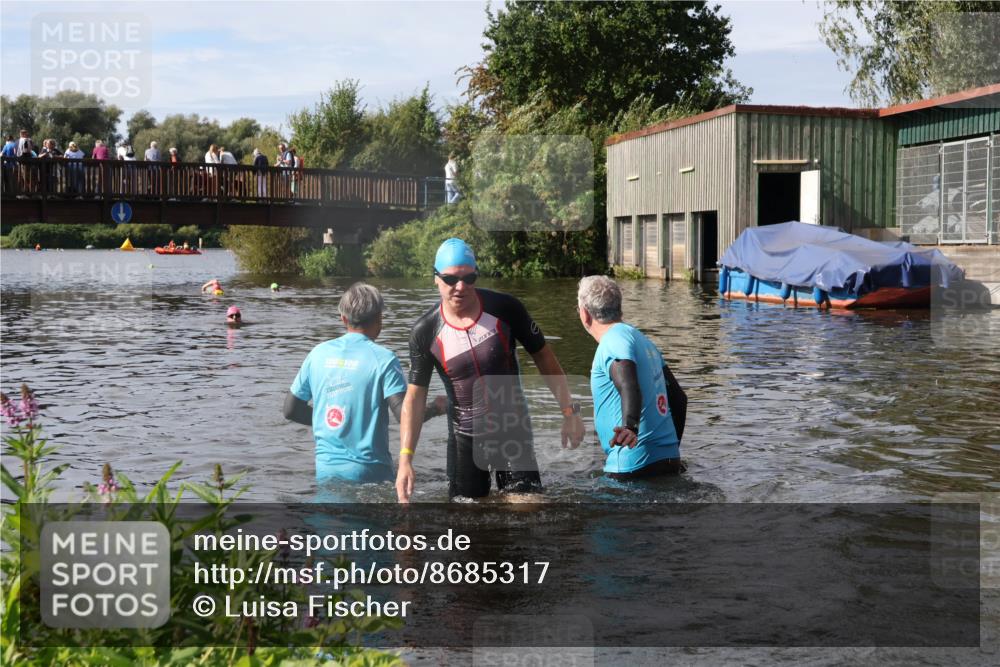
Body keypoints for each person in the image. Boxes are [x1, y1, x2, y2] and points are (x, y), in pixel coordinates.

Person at [396, 238, 585, 503]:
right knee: (471, 522)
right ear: (435, 278)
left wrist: (570, 412)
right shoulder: (424, 332)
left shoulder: (505, 308)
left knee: (529, 509)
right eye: (451, 280)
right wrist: (406, 459)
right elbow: (414, 398)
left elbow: (545, 358)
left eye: (469, 278)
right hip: (465, 438)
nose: (460, 287)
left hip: (513, 430)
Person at [284, 283, 447, 484]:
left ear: (344, 319)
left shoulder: (317, 353)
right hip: (371, 473)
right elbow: (405, 415)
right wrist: (437, 407)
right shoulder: (384, 359)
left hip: (326, 472)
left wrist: (332, 422)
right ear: (380, 319)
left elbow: (290, 409)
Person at [576, 275, 687, 480]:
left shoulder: (612, 340)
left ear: (585, 314)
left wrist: (630, 427)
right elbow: (679, 399)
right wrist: (670, 451)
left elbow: (627, 383)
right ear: (620, 309)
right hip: (668, 462)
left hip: (630, 465)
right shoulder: (644, 341)